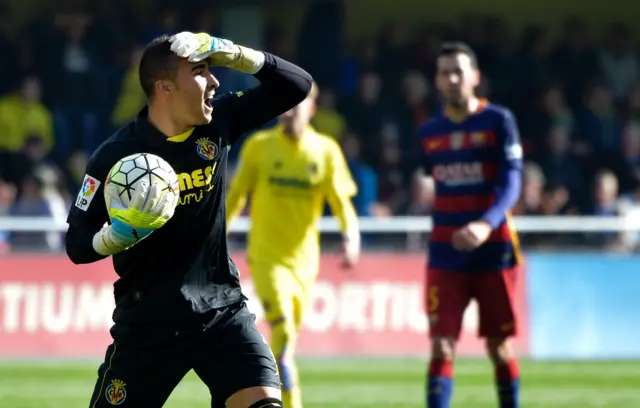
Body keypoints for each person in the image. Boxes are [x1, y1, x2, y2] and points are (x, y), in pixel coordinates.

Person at [64, 31, 313, 408]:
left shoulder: (219, 122)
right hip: (148, 325)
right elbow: (77, 245)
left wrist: (230, 52)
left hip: (222, 313)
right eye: (200, 71)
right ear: (164, 88)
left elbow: (297, 85)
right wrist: (115, 237)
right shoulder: (115, 158)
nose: (215, 80)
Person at [226, 83, 360, 408]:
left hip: (304, 263)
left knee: (285, 343)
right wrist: (215, 236)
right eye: (284, 104)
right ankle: (291, 401)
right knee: (283, 328)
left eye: (297, 104)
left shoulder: (325, 150)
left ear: (312, 108)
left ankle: (268, 390)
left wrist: (351, 236)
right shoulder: (259, 146)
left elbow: (341, 201)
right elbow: (236, 196)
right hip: (266, 256)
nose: (289, 110)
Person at [417, 42, 523, 408]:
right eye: (445, 72)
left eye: (458, 71)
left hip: (494, 250)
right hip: (445, 252)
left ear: (475, 77)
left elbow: (512, 183)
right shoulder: (429, 132)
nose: (452, 79)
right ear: (437, 81)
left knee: (499, 346)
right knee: (441, 344)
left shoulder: (499, 121)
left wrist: (484, 224)